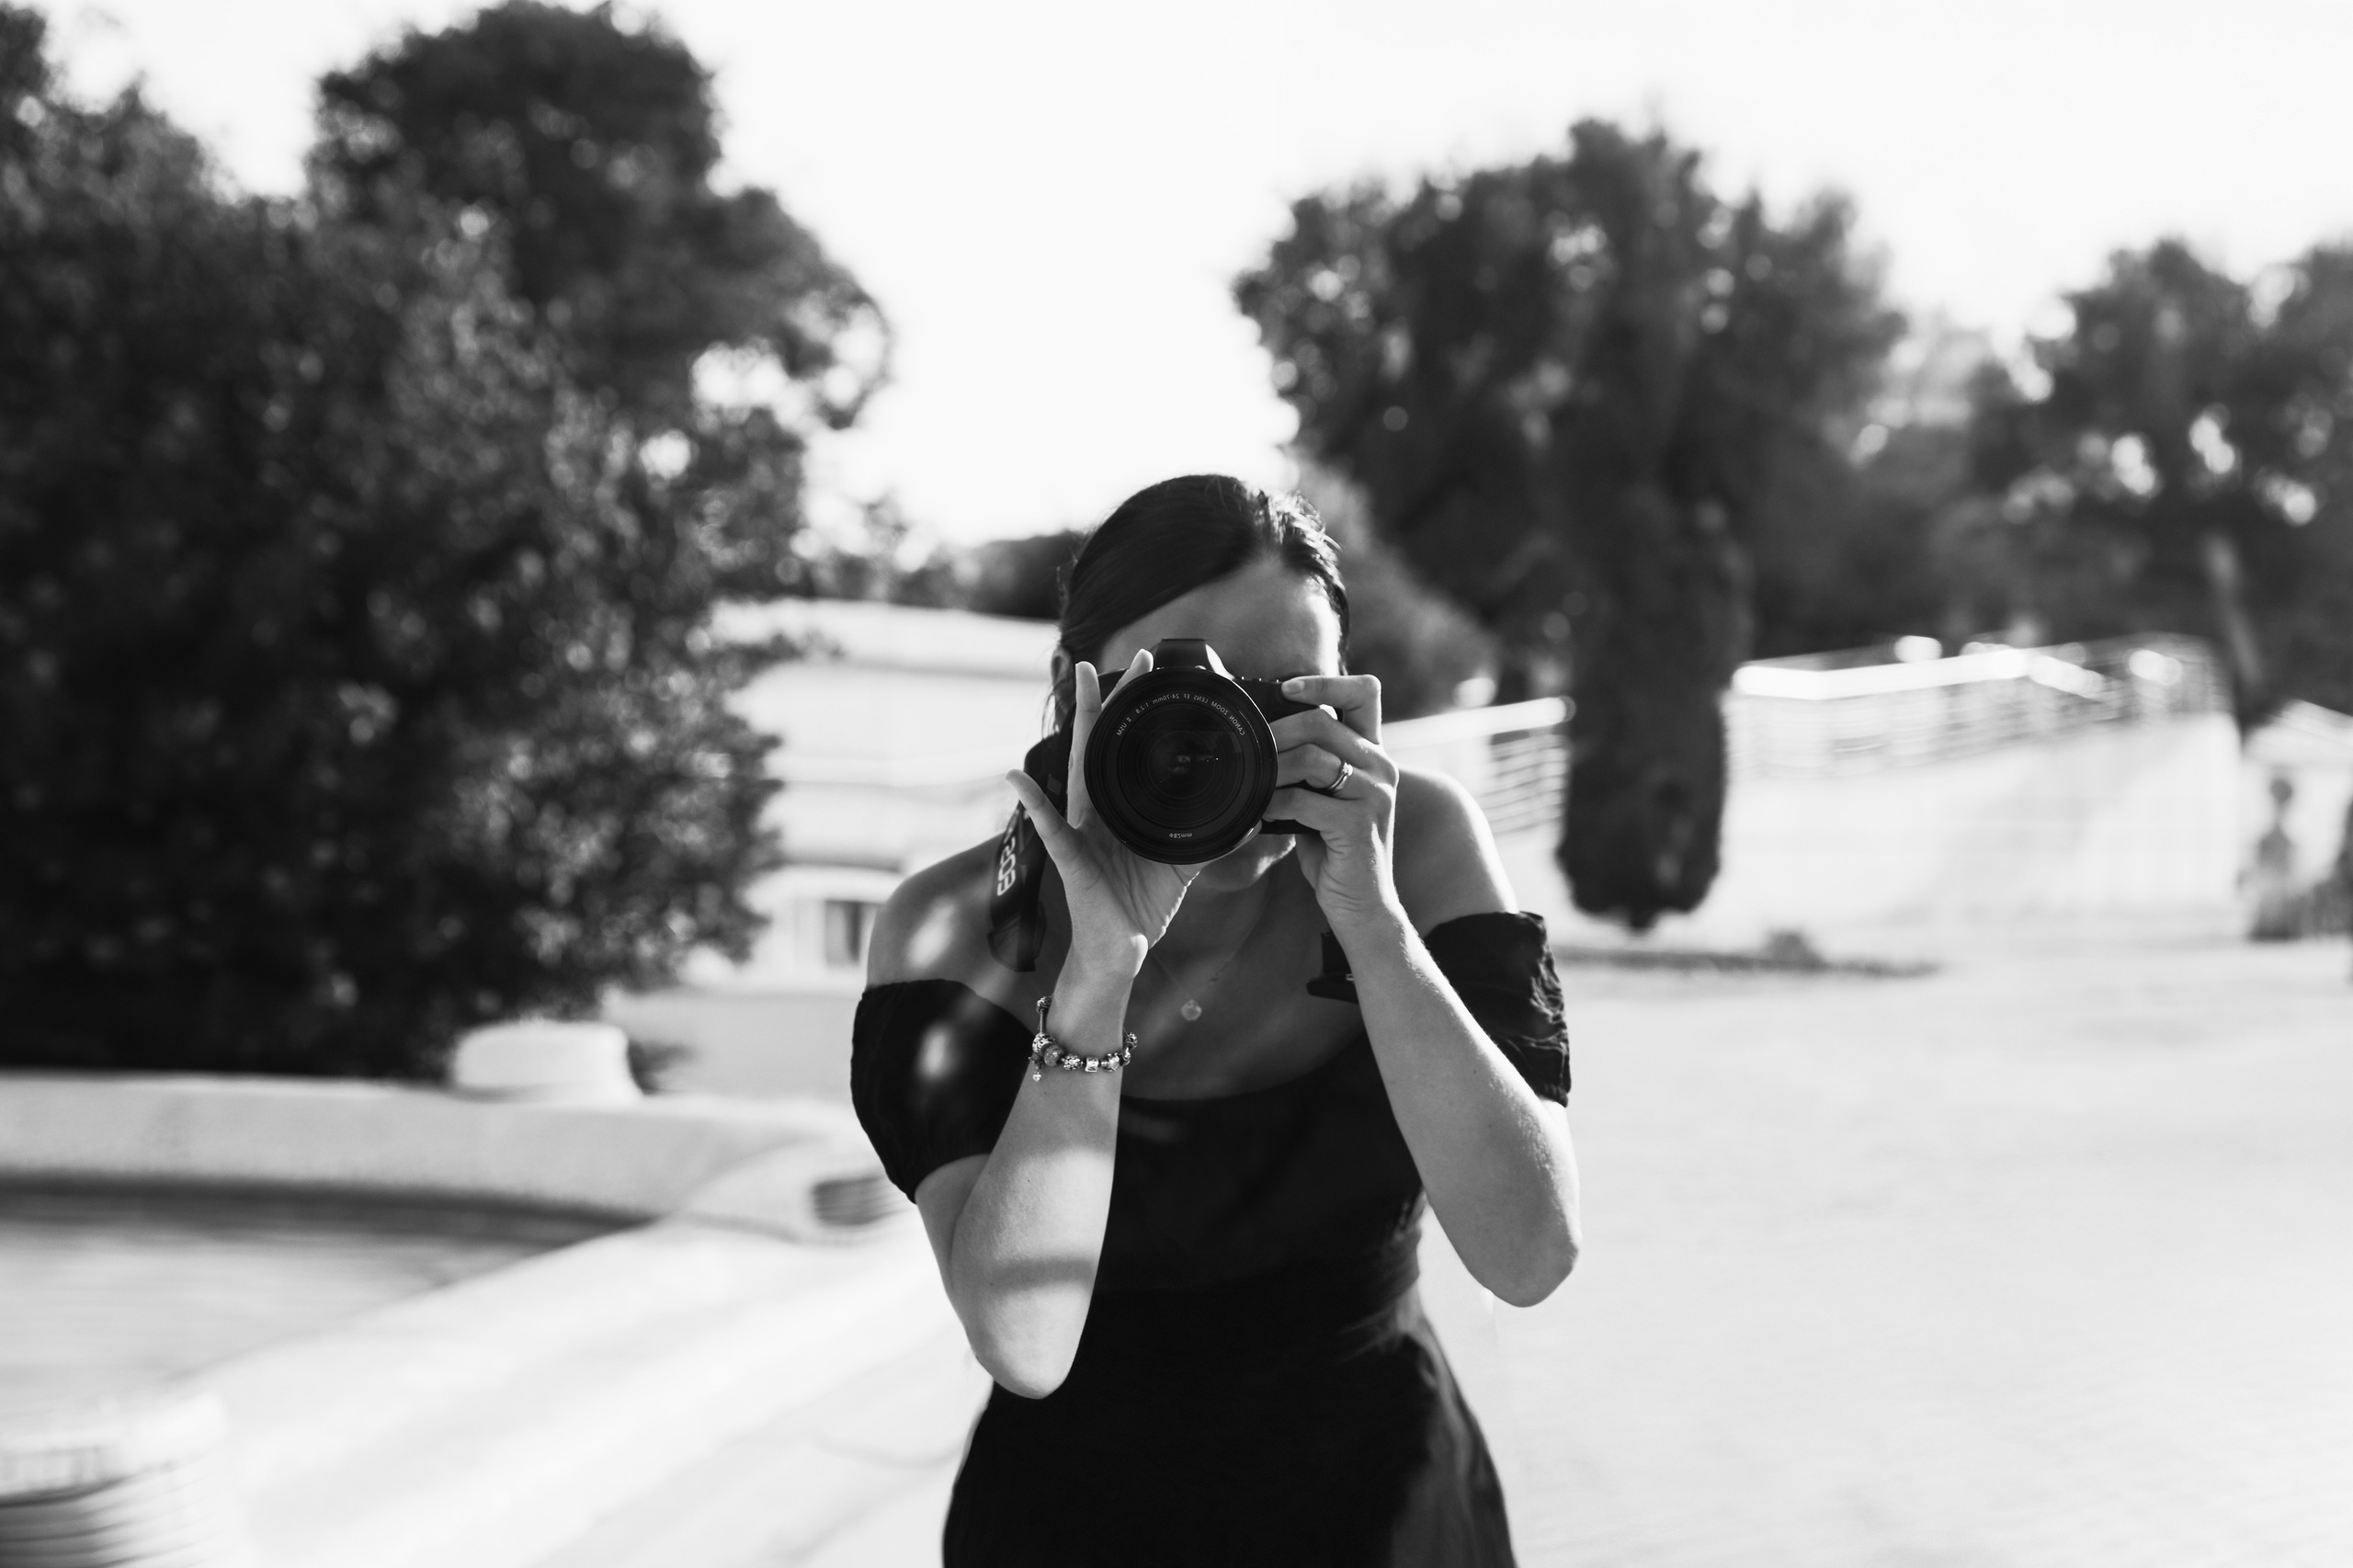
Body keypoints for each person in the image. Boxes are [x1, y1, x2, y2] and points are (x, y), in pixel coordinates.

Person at [852, 475, 1579, 1566]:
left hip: (1383, 1509)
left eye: (1288, 692)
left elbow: (1528, 1253)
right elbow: (1024, 1339)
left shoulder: (1414, 843)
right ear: (1072, 686)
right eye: (1187, 690)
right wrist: (1098, 968)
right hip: (1070, 1524)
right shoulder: (957, 928)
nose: (1235, 737)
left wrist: (1374, 928)